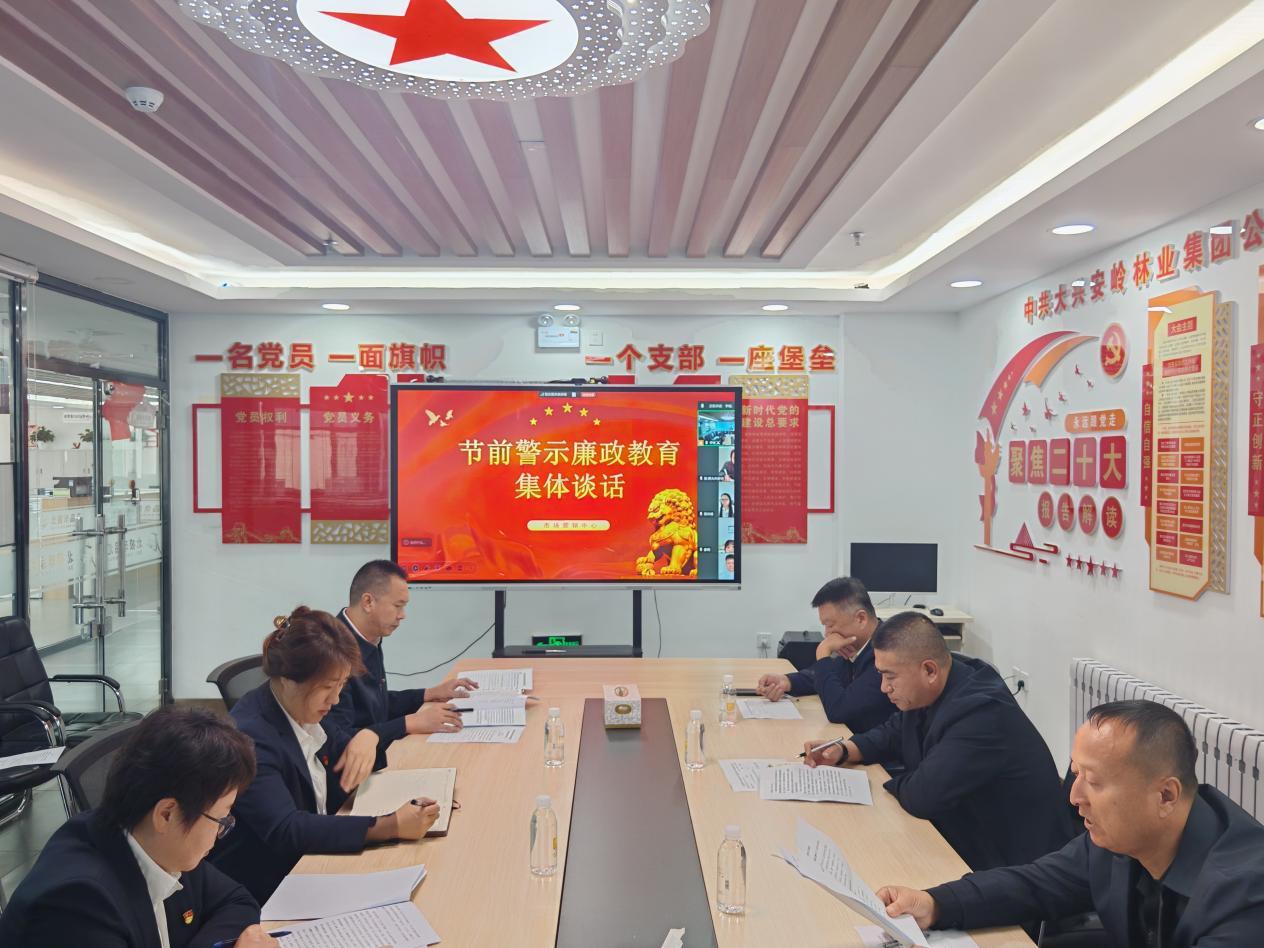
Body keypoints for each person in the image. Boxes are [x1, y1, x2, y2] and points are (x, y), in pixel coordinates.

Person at [877, 700, 1264, 944]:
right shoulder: (1121, 839)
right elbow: (1035, 883)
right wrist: (935, 903)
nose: (1074, 797)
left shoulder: (1246, 893)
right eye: (1075, 774)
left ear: (1165, 796)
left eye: (1093, 781)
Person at [804, 611, 1074, 870]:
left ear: (929, 670)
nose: (884, 687)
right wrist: (843, 749)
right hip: (966, 835)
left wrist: (880, 784)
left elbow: (922, 796)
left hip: (1012, 864)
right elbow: (893, 732)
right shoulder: (937, 684)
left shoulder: (981, 714)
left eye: (890, 676)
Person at [211, 607, 439, 903]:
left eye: (342, 685)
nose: (335, 699)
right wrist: (390, 826)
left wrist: (369, 738)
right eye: (328, 687)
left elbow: (347, 753)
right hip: (271, 886)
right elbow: (287, 829)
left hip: (317, 861)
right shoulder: (250, 736)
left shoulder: (306, 709)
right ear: (288, 680)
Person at [0, 706, 276, 947]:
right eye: (221, 819)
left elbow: (238, 901)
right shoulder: (78, 906)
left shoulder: (160, 846)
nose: (220, 833)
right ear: (166, 814)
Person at [324, 561, 478, 782]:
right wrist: (410, 723)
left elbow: (373, 704)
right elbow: (341, 739)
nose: (402, 615)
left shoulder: (368, 637)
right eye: (398, 606)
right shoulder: (333, 650)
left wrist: (428, 694)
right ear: (368, 602)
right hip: (348, 779)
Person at [756, 577, 894, 733]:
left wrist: (822, 653)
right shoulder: (855, 645)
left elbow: (839, 709)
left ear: (861, 619)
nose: (827, 634)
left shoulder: (888, 654)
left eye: (830, 625)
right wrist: (787, 681)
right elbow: (829, 674)